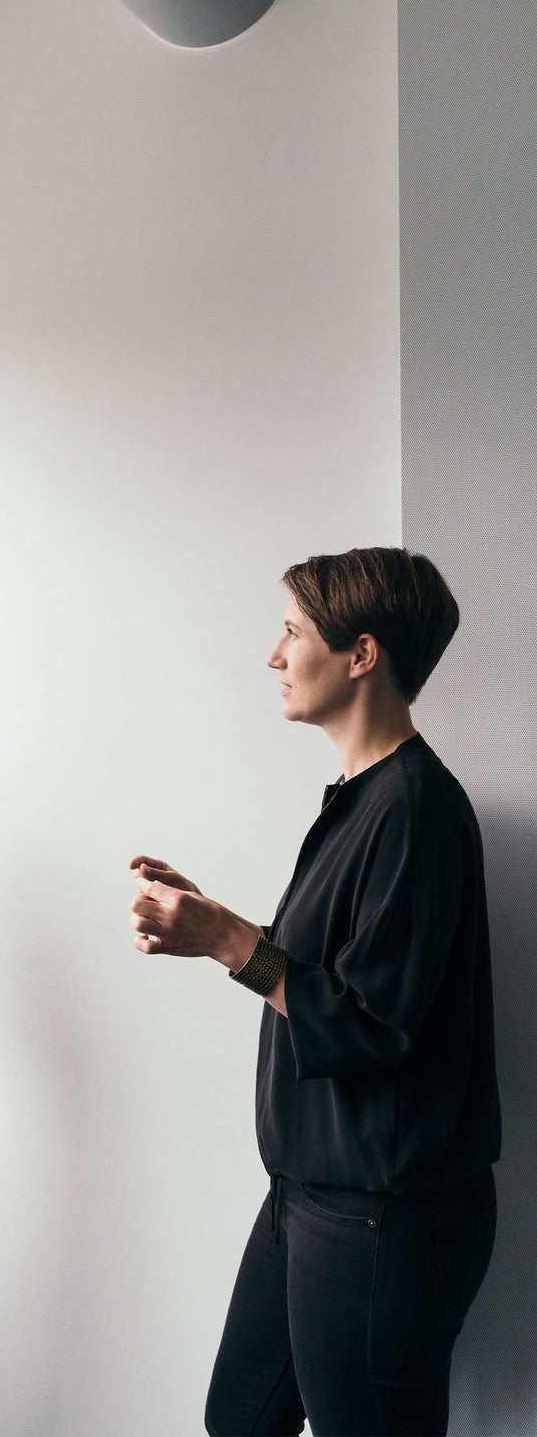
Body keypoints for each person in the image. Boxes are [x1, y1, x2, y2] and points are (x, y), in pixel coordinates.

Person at [129, 547, 500, 1437]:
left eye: (292, 631)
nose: (274, 655)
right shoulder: (366, 800)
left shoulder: (415, 808)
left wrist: (224, 940)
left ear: (360, 654)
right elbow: (340, 975)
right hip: (311, 1196)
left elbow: (370, 1023)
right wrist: (217, 922)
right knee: (240, 1422)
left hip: (380, 1217)